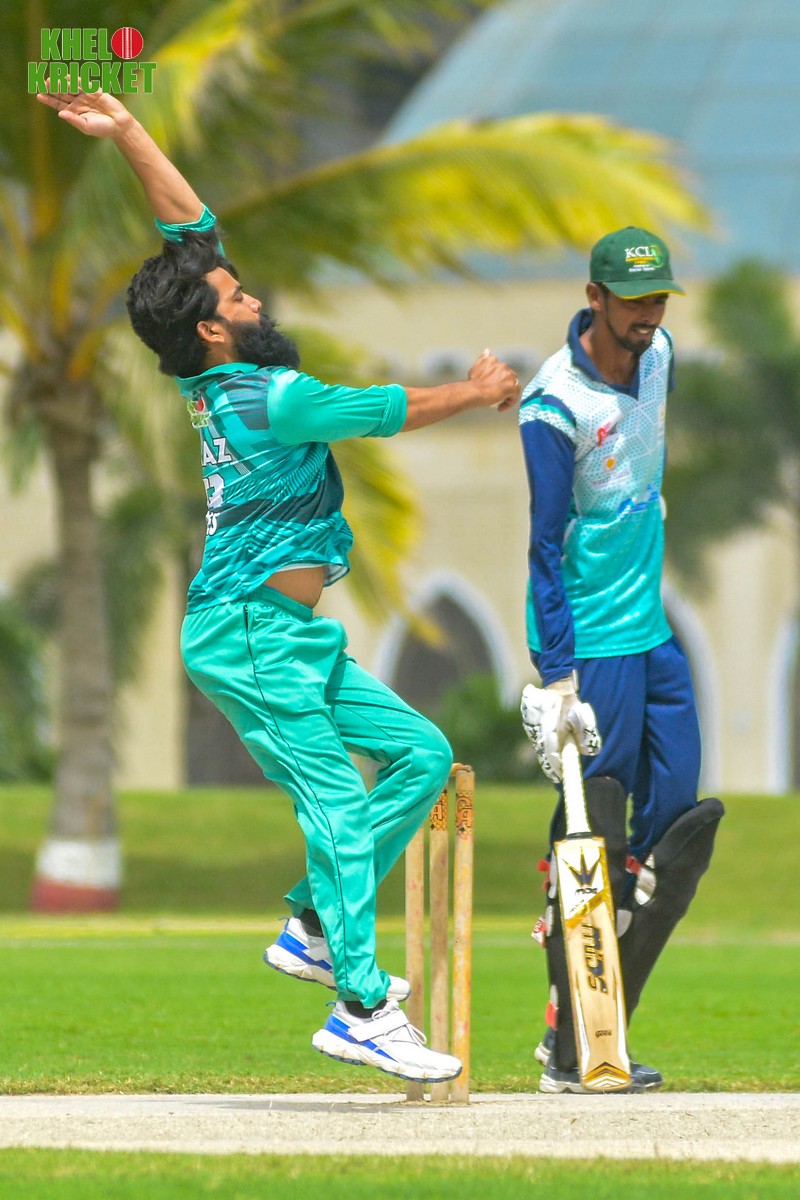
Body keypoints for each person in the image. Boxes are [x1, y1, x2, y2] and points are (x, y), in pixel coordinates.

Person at [38, 84, 521, 1085]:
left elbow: (192, 232)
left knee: (421, 755)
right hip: (248, 631)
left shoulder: (201, 372)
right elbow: (387, 410)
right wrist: (477, 392)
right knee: (336, 798)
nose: (253, 299)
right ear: (215, 331)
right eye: (238, 299)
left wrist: (128, 133)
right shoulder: (273, 396)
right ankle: (360, 1006)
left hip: (288, 637)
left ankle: (310, 922)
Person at [518, 228, 725, 1094]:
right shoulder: (553, 404)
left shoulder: (660, 355)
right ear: (594, 297)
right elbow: (544, 545)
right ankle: (575, 1046)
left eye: (659, 299)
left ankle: (595, 1018)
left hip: (651, 632)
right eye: (634, 301)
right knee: (592, 830)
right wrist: (557, 673)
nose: (649, 316)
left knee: (679, 829)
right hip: (593, 643)